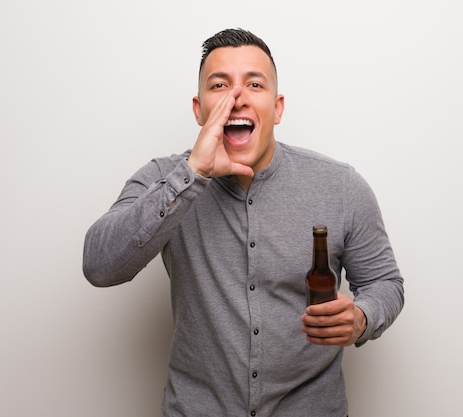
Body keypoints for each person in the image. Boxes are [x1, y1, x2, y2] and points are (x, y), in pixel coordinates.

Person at [83, 28, 404, 417]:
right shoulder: (163, 179)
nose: (237, 98)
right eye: (220, 85)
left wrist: (362, 318)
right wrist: (192, 175)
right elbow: (99, 266)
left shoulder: (341, 186)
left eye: (254, 83)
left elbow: (384, 283)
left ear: (278, 107)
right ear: (199, 109)